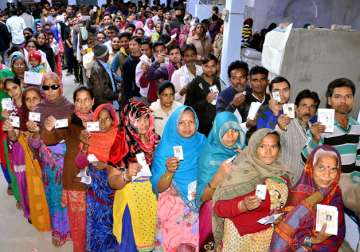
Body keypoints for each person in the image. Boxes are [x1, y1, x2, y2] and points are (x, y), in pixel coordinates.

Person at [212, 128, 291, 249]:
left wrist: (278, 216)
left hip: (264, 239)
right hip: (238, 239)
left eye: (273, 147)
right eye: (262, 146)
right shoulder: (240, 172)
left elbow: (280, 205)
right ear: (254, 147)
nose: (268, 152)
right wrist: (242, 206)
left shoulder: (281, 173)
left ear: (279, 149)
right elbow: (219, 208)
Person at [39, 86, 95, 251]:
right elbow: (52, 139)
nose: (83, 104)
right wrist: (49, 130)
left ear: (92, 101)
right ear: (74, 103)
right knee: (78, 223)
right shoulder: (69, 121)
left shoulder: (101, 120)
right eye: (78, 100)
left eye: (86, 100)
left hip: (98, 179)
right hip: (76, 178)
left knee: (94, 221)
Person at [151, 105, 206, 251]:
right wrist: (169, 171)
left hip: (198, 203)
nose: (187, 126)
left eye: (190, 122)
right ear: (174, 124)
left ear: (196, 123)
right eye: (181, 122)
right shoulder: (165, 147)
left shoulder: (201, 141)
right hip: (172, 207)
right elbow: (157, 186)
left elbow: (209, 170)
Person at [302, 78, 360, 216]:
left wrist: (357, 182)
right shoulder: (321, 127)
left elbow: (359, 156)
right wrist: (315, 139)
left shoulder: (357, 127)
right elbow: (305, 158)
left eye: (348, 96)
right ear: (329, 100)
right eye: (338, 97)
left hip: (352, 182)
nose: (343, 101)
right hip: (331, 181)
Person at [27, 73, 73, 247]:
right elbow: (34, 145)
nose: (50, 90)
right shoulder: (37, 112)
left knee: (71, 195)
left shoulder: (70, 107)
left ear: (60, 86)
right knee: (54, 197)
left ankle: (72, 228)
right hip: (50, 164)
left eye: (54, 86)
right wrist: (36, 132)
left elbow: (76, 134)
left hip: (69, 159)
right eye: (46, 87)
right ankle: (60, 230)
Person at [271, 145, 345, 251]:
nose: (327, 175)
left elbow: (338, 233)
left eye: (333, 169)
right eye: (321, 168)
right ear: (311, 167)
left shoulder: (335, 193)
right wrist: (315, 240)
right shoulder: (299, 194)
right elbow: (288, 234)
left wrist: (324, 239)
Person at [108, 99, 159, 251]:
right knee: (131, 244)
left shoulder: (155, 140)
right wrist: (126, 176)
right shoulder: (121, 143)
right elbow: (112, 181)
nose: (143, 123)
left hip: (152, 201)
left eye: (145, 118)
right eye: (137, 119)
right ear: (128, 119)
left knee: (150, 243)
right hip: (131, 204)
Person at [3, 86, 51, 232]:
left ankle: (50, 215)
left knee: (47, 187)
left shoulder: (49, 115)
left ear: (42, 99)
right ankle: (34, 214)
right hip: (24, 158)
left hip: (46, 159)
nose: (31, 103)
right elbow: (13, 136)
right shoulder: (19, 114)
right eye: (27, 99)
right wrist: (10, 129)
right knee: (27, 186)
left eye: (35, 98)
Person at [196, 112, 246, 251]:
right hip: (213, 213)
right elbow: (203, 198)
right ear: (217, 131)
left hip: (239, 211)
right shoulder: (209, 156)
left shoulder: (244, 151)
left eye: (235, 130)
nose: (231, 135)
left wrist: (247, 163)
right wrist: (218, 177)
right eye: (225, 131)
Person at [75, 103, 119, 252]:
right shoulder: (89, 135)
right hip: (94, 194)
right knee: (95, 226)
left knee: (113, 225)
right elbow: (79, 163)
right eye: (99, 118)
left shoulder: (118, 137)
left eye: (107, 119)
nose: (102, 122)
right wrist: (86, 146)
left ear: (113, 120)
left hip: (114, 191)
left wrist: (105, 166)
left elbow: (122, 165)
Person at [277, 89, 320, 185]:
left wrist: (315, 138)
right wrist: (280, 127)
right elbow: (276, 140)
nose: (308, 110)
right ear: (296, 108)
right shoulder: (287, 124)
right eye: (304, 105)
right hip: (283, 181)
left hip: (302, 185)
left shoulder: (315, 130)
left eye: (312, 107)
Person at [185, 53, 221, 136]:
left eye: (212, 66)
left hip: (215, 126)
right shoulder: (194, 84)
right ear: (202, 66)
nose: (210, 69)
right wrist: (206, 101)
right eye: (206, 66)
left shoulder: (217, 81)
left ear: (217, 66)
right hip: (200, 128)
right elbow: (188, 107)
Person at [88, 44, 120, 109]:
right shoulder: (97, 69)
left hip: (109, 101)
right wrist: (117, 96)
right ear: (105, 55)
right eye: (108, 52)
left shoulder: (105, 65)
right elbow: (103, 90)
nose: (109, 54)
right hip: (105, 104)